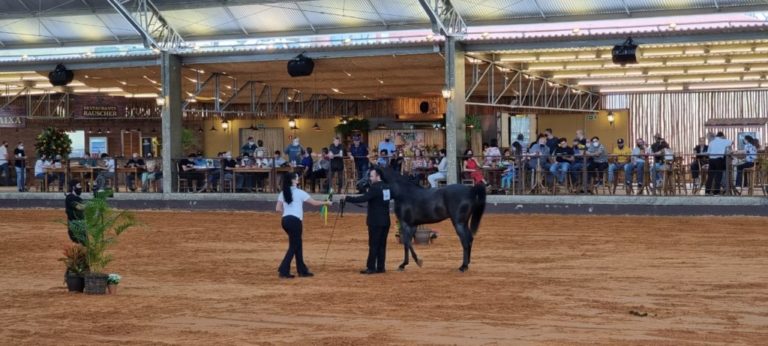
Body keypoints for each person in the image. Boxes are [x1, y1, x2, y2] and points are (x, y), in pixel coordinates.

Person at [275, 172, 332, 279]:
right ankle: (283, 269)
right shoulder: (300, 192)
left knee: (297, 244)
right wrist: (326, 202)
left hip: (285, 220)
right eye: (296, 178)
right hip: (295, 221)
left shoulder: (283, 192)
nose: (298, 180)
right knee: (294, 245)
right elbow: (314, 203)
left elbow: (278, 209)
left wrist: (288, 212)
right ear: (292, 180)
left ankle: (302, 270)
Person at [340, 167, 391, 274]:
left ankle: (371, 267)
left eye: (372, 176)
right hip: (385, 220)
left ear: (378, 176)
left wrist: (347, 198)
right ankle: (381, 267)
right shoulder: (387, 186)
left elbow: (363, 198)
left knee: (373, 244)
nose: (370, 178)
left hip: (375, 221)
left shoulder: (375, 188)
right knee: (382, 245)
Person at [64, 179, 86, 244]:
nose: (80, 187)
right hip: (74, 226)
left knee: (84, 245)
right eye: (79, 185)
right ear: (73, 187)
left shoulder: (78, 198)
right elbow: (80, 207)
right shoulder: (70, 198)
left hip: (81, 225)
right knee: (80, 245)